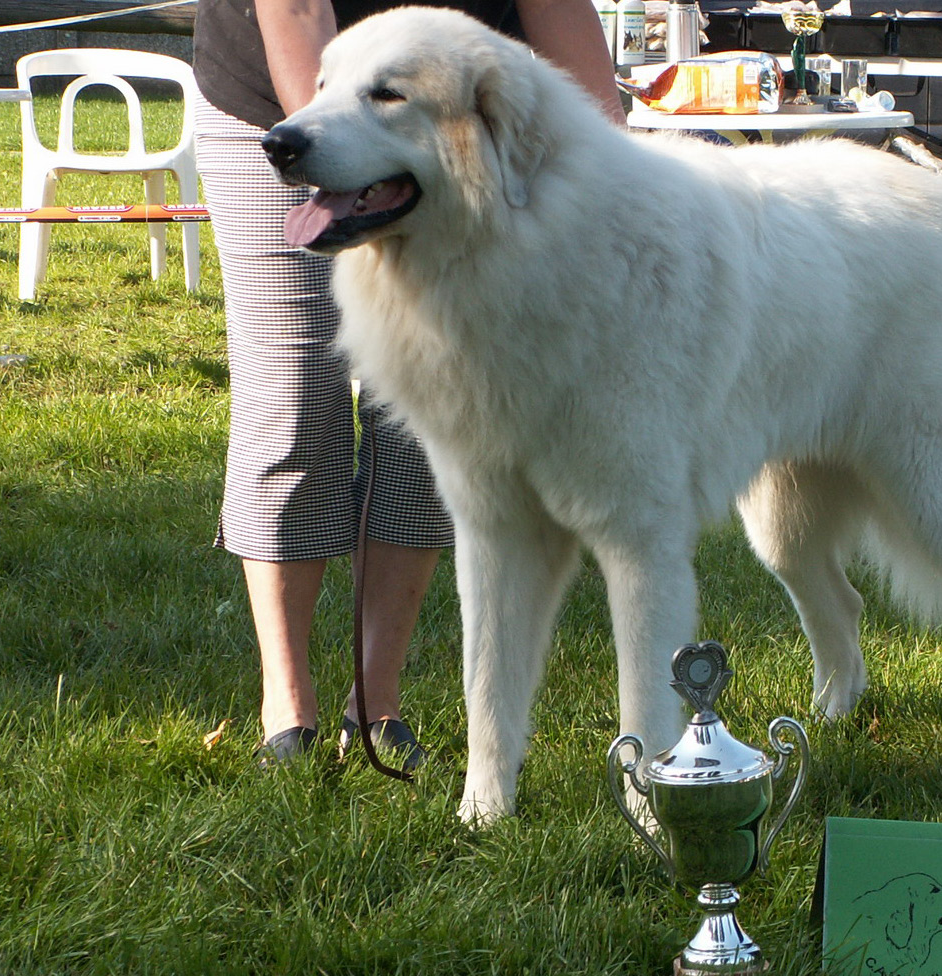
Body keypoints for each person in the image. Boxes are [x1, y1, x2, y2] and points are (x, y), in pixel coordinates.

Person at [192, 0, 624, 768]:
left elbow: (566, 32)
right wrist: (339, 161)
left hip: (446, 122)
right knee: (293, 396)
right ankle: (286, 706)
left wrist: (608, 177)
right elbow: (293, 11)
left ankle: (375, 700)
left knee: (435, 425)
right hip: (280, 93)